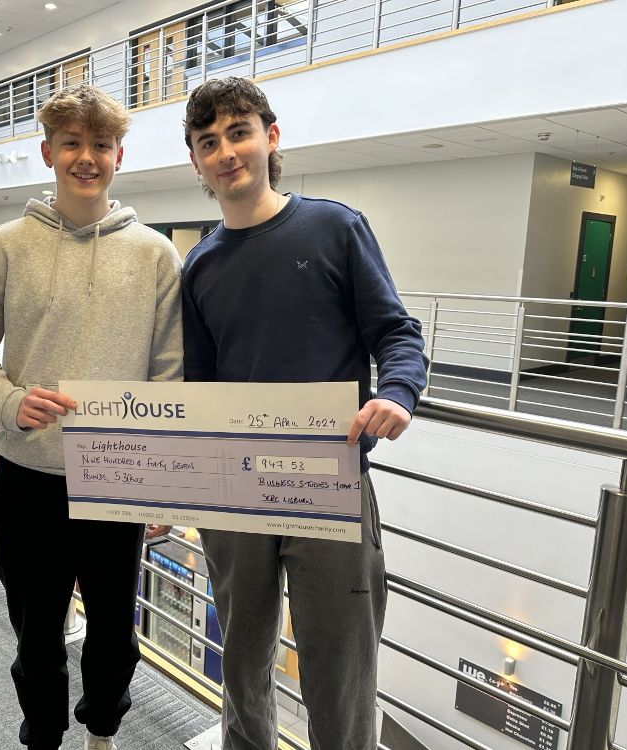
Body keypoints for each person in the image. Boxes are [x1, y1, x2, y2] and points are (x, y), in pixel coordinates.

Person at [181, 77, 428, 750]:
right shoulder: (198, 265)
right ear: (197, 162)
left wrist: (398, 393)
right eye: (209, 142)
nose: (226, 151)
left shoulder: (335, 227)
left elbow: (396, 332)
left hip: (328, 479)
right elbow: (199, 388)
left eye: (239, 132)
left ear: (270, 137)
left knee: (340, 669)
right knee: (242, 662)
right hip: (234, 489)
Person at [0, 84, 182, 750]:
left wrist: (161, 478)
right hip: (29, 478)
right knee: (36, 634)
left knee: (114, 633)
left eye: (100, 145)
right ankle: (42, 735)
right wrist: (13, 403)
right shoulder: (5, 247)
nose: (87, 157)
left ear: (119, 155)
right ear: (48, 152)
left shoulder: (157, 256)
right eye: (73, 143)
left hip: (118, 481)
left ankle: (102, 729)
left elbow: (170, 378)